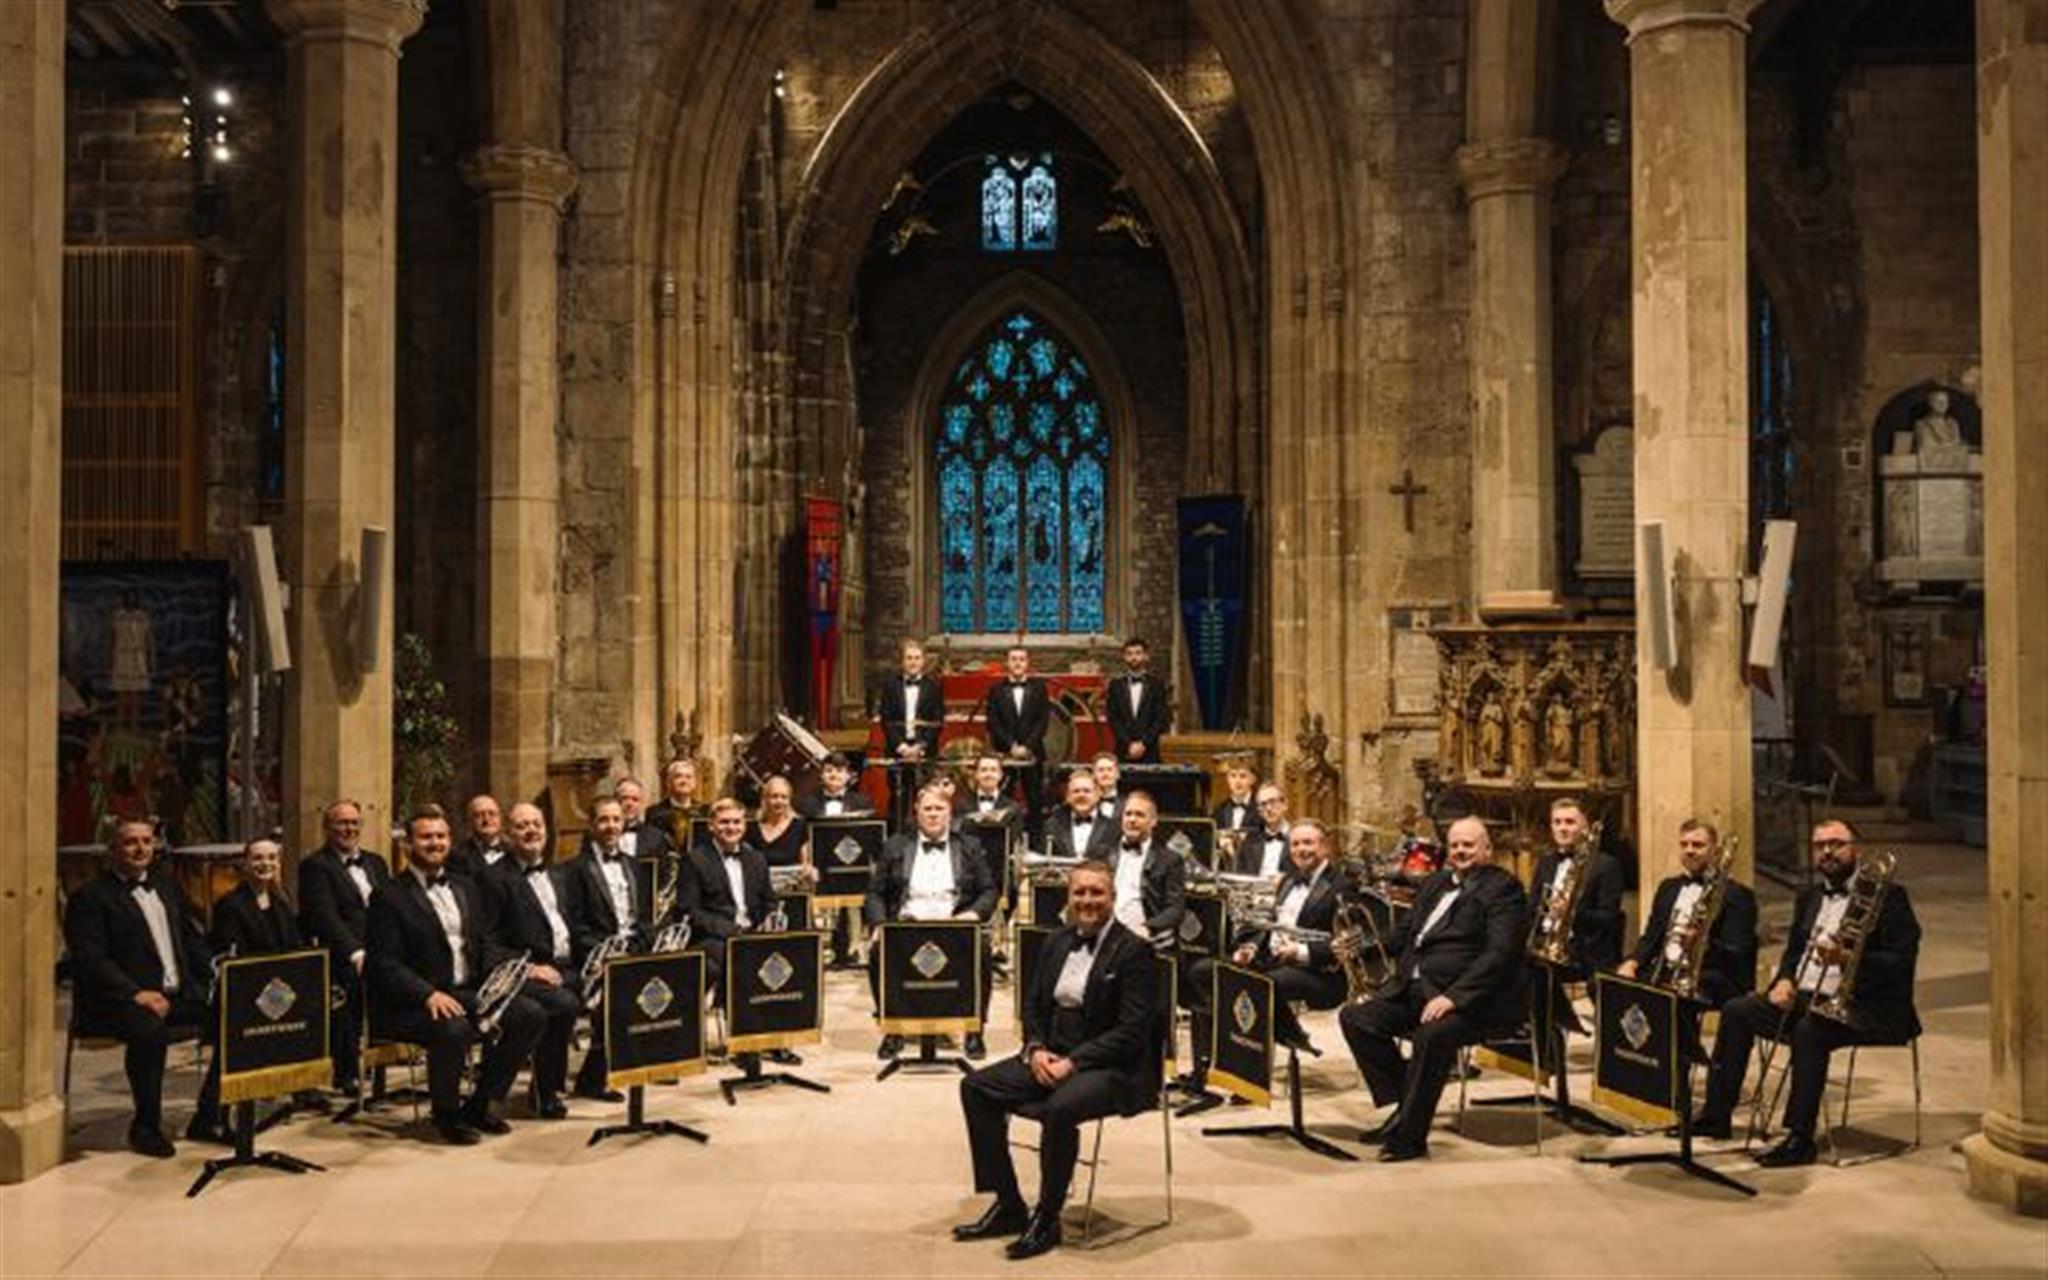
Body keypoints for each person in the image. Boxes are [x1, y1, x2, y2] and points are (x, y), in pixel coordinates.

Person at [954, 861, 1161, 1260]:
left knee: (1060, 1108)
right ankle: (1010, 1204)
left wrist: (1074, 1062)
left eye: (1096, 893)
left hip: (1112, 1066)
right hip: (1051, 1054)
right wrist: (1035, 1049)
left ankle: (1048, 1217)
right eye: (1079, 892)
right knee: (975, 1087)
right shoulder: (1057, 940)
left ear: (1112, 898)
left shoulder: (1135, 951)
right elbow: (1033, 1004)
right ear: (1069, 897)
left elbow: (1132, 1031)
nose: (1087, 901)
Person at [1693, 819, 1921, 1167]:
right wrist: (1784, 980)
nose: (1827, 852)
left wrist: (1849, 958)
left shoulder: (1888, 895)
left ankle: (1800, 1138)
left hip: (1867, 1007)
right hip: (1808, 996)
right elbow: (1794, 952)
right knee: (1738, 1010)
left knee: (1809, 1030)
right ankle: (1716, 1115)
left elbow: (1901, 961)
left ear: (1854, 848)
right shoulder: (1810, 896)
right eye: (1820, 846)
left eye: (1836, 844)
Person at [1338, 815, 1529, 1162]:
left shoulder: (1504, 889)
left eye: (1468, 844)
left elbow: (1500, 954)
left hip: (1474, 1002)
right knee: (1356, 1018)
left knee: (1431, 1037)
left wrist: (1454, 997)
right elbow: (1404, 935)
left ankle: (1410, 1138)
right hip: (1414, 991)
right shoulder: (1435, 883)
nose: (1460, 851)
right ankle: (1406, 1107)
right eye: (1455, 844)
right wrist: (1361, 946)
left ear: (1487, 848)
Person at [365, 807, 546, 1145]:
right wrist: (427, 994)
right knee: (454, 1028)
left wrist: (508, 974)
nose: (435, 843)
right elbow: (384, 964)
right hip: (411, 1002)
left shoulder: (465, 886)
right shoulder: (389, 896)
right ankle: (446, 1115)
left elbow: (482, 944)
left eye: (441, 836)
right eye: (426, 837)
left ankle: (481, 1104)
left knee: (529, 1014)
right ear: (407, 844)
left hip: (465, 991)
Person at [64, 818, 214, 1157]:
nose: (141, 848)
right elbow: (91, 960)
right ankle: (145, 1126)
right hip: (117, 1002)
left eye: (147, 841)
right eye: (131, 842)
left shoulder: (164, 883)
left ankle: (210, 1114)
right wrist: (135, 994)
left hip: (175, 994)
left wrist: (216, 972)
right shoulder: (90, 897)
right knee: (149, 1031)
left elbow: (190, 938)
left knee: (232, 1012)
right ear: (112, 850)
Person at [1184, 820, 1346, 1093]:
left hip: (1318, 973)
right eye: (1295, 843)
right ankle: (1207, 1062)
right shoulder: (1287, 880)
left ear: (1325, 846)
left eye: (1309, 842)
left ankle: (1249, 1074)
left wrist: (1301, 952)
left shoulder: (1342, 886)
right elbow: (1269, 926)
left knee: (1260, 985)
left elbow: (1351, 943)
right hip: (1271, 961)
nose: (1301, 849)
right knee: (1202, 970)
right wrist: (1251, 948)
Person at [866, 786, 998, 1061]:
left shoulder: (969, 846)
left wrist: (972, 915)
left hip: (955, 925)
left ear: (950, 813)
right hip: (907, 926)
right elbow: (875, 892)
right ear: (917, 812)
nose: (933, 814)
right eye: (928, 808)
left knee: (983, 954)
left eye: (939, 808)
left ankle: (975, 1030)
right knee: (877, 953)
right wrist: (879, 925)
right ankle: (893, 1028)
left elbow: (989, 891)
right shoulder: (896, 845)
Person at [480, 803, 583, 1120]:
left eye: (537, 824)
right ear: (508, 835)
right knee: (563, 1004)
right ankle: (546, 1090)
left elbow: (573, 926)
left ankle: (600, 1076)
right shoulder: (493, 878)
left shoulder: (558, 873)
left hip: (565, 964)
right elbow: (486, 943)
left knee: (620, 980)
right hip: (521, 970)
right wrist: (529, 968)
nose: (531, 831)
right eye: (522, 826)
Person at [297, 799, 391, 1096]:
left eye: (353, 823)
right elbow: (324, 917)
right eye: (341, 823)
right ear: (327, 828)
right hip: (340, 954)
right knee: (349, 995)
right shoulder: (315, 866)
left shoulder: (376, 862)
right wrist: (355, 952)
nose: (348, 828)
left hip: (380, 948)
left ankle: (383, 1063)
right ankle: (347, 1071)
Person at [1618, 818, 1759, 1010]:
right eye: (1684, 844)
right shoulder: (1668, 888)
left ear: (1715, 851)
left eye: (1698, 845)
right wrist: (1632, 962)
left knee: (1673, 1000)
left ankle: (1681, 1040)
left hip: (1712, 974)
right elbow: (1651, 937)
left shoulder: (1737, 895)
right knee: (1606, 985)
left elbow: (1738, 950)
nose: (1689, 850)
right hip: (1666, 969)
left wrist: (1701, 942)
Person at [567, 796, 644, 1101]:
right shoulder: (575, 869)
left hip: (632, 950)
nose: (611, 826)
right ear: (591, 825)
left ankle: (642, 1062)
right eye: (604, 820)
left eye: (616, 819)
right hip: (597, 956)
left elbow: (643, 918)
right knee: (615, 1002)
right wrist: (604, 952)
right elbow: (575, 926)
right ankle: (591, 1079)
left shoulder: (633, 865)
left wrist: (639, 946)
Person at [1105, 791, 1187, 947]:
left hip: (1145, 939)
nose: (1132, 819)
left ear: (1153, 821)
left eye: (1139, 815)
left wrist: (1148, 928)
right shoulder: (1104, 853)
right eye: (1128, 814)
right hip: (1104, 935)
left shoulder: (1170, 860)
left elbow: (1176, 909)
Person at [983, 646, 1050, 820]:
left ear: (1027, 663)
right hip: (1004, 753)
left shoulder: (1040, 688)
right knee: (1003, 799)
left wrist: (1027, 746)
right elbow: (993, 722)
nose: (1018, 663)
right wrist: (1011, 746)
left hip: (1033, 753)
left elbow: (1042, 722)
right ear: (1007, 662)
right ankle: (1003, 840)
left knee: (1035, 801)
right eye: (1014, 659)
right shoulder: (996, 689)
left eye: (1021, 659)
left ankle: (1036, 840)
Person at [1104, 636, 1171, 763]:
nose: (1134, 657)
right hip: (1123, 750)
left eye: (1138, 653)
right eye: (1129, 654)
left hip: (1150, 751)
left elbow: (1160, 718)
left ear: (1146, 656)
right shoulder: (1115, 685)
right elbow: (1113, 718)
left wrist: (1143, 743)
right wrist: (1128, 743)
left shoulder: (1157, 684)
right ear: (1124, 657)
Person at [880, 638, 945, 767]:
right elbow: (886, 720)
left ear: (923, 661)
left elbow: (938, 720)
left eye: (917, 658)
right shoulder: (890, 686)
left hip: (926, 753)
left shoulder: (934, 687)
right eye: (909, 658)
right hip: (896, 752)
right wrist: (902, 747)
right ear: (902, 662)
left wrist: (920, 747)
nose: (913, 662)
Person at [1043, 771, 1117, 862]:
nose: (1081, 795)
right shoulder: (1052, 826)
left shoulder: (1113, 827)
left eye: (1086, 791)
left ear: (1098, 795)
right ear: (1068, 797)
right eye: (1076, 791)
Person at [747, 775, 808, 869]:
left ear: (789, 800)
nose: (779, 801)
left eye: (784, 797)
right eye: (774, 796)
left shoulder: (800, 826)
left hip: (791, 882)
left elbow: (806, 865)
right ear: (765, 799)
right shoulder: (751, 828)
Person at [1234, 784, 1292, 878]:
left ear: (1285, 804)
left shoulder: (1299, 838)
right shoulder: (1249, 841)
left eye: (1272, 802)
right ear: (1259, 811)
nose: (1268, 809)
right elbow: (1240, 875)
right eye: (1263, 804)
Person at [447, 794, 508, 880]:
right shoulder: (457, 856)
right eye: (479, 815)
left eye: (492, 814)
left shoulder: (515, 851)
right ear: (469, 821)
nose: (486, 819)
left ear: (500, 818)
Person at [797, 752, 875, 819]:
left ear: (848, 776)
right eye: (829, 770)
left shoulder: (862, 803)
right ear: (821, 775)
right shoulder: (806, 804)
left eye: (839, 771)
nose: (834, 775)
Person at [1211, 759, 1259, 834]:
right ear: (1227, 779)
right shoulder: (1220, 809)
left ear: (1252, 779)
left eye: (1243, 776)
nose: (1237, 781)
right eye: (1233, 776)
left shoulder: (1261, 808)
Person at [1089, 753, 1124, 824]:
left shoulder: (1129, 803)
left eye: (1110, 769)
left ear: (1118, 774)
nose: (1105, 774)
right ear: (1093, 775)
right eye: (1101, 770)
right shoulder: (1085, 803)